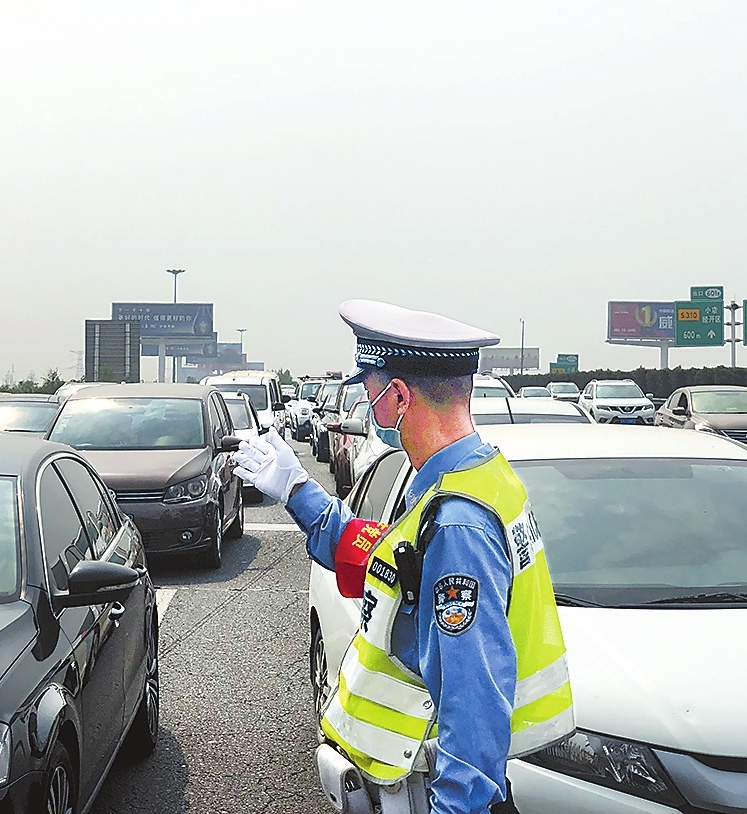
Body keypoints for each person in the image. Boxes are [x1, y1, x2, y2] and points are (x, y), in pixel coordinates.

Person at [233, 300, 573, 814]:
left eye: (370, 395)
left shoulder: (457, 522)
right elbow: (385, 562)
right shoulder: (473, 479)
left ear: (397, 397)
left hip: (426, 787)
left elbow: (473, 699)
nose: (370, 411)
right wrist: (298, 490)